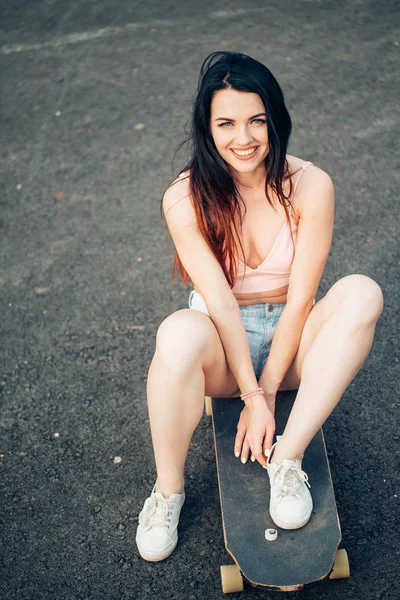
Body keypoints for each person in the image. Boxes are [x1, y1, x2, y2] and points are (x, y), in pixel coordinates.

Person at [135, 51, 384, 562]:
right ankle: (167, 494)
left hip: (294, 344)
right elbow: (222, 306)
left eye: (256, 121)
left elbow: (300, 300)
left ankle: (286, 463)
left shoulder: (311, 185)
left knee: (362, 292)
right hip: (224, 350)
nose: (243, 138)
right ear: (207, 127)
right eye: (226, 123)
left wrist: (270, 390)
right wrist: (249, 394)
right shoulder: (184, 198)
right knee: (177, 333)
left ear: (275, 120)